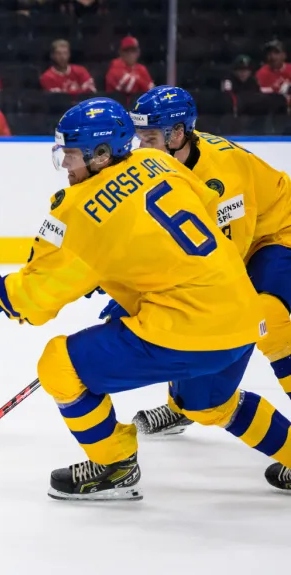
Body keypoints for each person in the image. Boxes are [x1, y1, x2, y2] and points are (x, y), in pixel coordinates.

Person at [0, 97, 291, 500]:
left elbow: (35, 301)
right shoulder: (159, 163)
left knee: (59, 364)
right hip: (242, 315)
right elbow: (204, 215)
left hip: (187, 327)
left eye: (71, 155)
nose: (65, 166)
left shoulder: (77, 212)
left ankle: (115, 466)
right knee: (208, 402)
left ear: (102, 154)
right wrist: (131, 276)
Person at [121, 88, 291, 457]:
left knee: (266, 319)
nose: (140, 147)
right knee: (184, 313)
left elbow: (227, 260)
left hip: (277, 234)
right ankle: (182, 405)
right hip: (240, 240)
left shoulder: (222, 177)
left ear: (178, 134)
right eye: (139, 137)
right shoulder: (161, 163)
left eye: (149, 138)